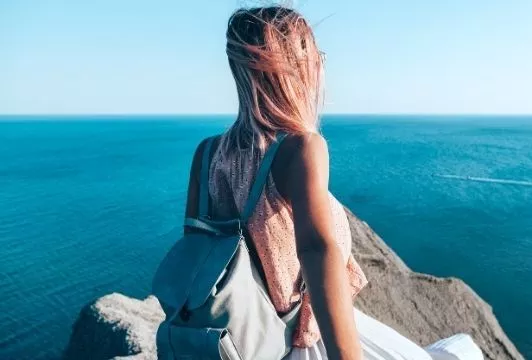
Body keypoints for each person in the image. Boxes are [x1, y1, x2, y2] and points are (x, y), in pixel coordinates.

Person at [184, 6, 483, 360]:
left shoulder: (206, 155)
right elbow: (318, 253)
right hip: (300, 342)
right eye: (315, 55)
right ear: (296, 67)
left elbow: (195, 256)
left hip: (234, 342)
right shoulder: (301, 148)